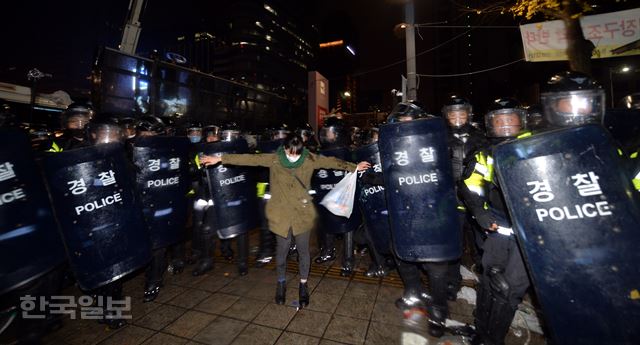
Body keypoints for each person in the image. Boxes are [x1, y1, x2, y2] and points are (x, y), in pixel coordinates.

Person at [199, 133, 370, 307]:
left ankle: (303, 285)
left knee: (304, 251)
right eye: (291, 153)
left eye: (297, 153)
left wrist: (354, 166)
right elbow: (249, 159)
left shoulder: (309, 158)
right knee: (281, 251)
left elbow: (332, 162)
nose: (294, 157)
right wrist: (219, 158)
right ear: (285, 149)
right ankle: (281, 284)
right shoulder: (274, 159)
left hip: (301, 213)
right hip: (281, 215)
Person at [460, 98, 530, 345]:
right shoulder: (486, 153)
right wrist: (479, 211)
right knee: (490, 278)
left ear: (520, 121)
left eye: (509, 119)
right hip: (498, 227)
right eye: (498, 121)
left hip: (529, 232)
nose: (504, 125)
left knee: (509, 289)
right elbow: (470, 185)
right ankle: (480, 329)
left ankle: (493, 339)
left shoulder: (536, 147)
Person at [441, 94, 487, 292]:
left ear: (468, 114)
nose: (457, 118)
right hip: (452, 200)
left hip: (478, 201)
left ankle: (487, 282)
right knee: (454, 242)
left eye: (461, 113)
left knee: (481, 243)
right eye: (453, 114)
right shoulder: (440, 137)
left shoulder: (481, 137)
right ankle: (453, 280)